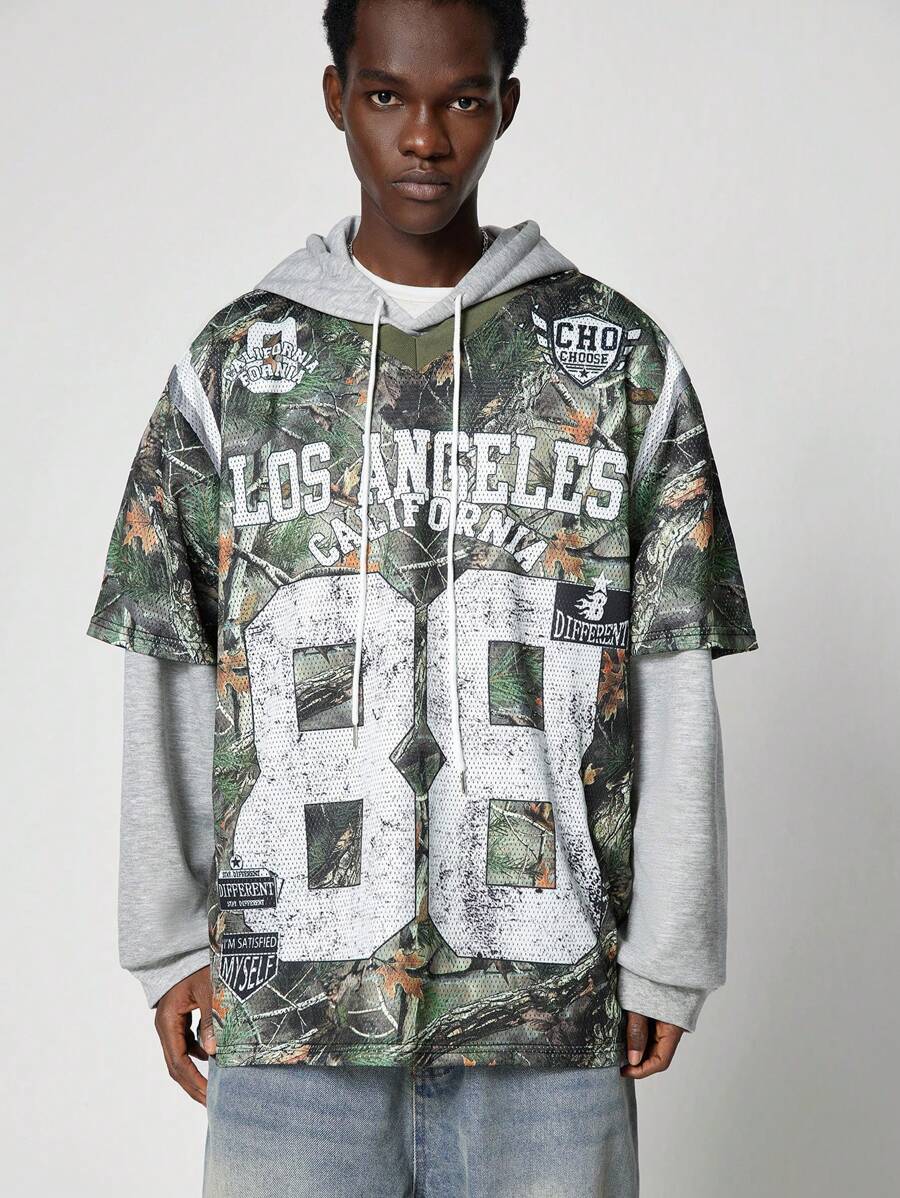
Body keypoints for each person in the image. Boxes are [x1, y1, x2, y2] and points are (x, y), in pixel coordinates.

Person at [85, 1, 758, 1193]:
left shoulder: (618, 361)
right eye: (388, 95)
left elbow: (669, 663)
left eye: (463, 99)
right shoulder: (233, 367)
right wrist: (169, 936)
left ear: (507, 104)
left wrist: (669, 953)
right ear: (337, 95)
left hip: (547, 1015)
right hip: (291, 1018)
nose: (425, 138)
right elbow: (172, 653)